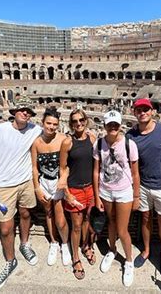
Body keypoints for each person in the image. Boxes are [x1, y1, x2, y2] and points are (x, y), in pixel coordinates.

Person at [0, 97, 42, 291]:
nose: (26, 113)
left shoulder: (35, 129)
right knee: (6, 228)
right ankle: (10, 261)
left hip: (26, 183)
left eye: (29, 111)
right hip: (4, 186)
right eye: (23, 109)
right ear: (14, 111)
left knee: (25, 215)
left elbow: (53, 135)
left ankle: (24, 244)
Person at [127, 98, 161, 275]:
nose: (143, 113)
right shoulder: (130, 135)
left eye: (146, 109)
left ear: (152, 111)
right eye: (139, 110)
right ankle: (146, 250)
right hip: (143, 185)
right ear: (134, 112)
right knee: (145, 219)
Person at [93, 110, 140, 287]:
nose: (113, 127)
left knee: (122, 230)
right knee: (111, 224)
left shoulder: (129, 144)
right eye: (109, 124)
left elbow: (135, 173)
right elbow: (96, 171)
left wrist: (136, 195)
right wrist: (97, 196)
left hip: (124, 192)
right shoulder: (98, 144)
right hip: (106, 191)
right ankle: (112, 250)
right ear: (104, 126)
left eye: (116, 124)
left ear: (120, 126)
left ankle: (128, 261)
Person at [59, 109, 97, 280]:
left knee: (87, 221)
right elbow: (63, 168)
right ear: (71, 124)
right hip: (74, 189)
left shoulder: (92, 139)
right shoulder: (67, 142)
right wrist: (66, 192)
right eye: (74, 121)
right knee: (76, 226)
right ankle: (76, 258)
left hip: (90, 188)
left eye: (81, 120)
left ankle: (86, 246)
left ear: (86, 120)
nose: (78, 123)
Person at [31, 107, 71, 266]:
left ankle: (65, 244)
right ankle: (54, 243)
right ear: (43, 123)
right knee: (48, 214)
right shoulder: (36, 143)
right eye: (48, 123)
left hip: (58, 183)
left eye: (55, 124)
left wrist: (65, 177)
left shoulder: (63, 139)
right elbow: (34, 167)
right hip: (44, 183)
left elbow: (70, 163)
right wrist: (36, 188)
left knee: (60, 220)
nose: (51, 127)